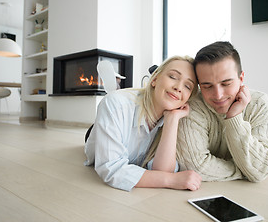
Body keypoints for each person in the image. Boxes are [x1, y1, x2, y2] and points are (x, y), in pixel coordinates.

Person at [84, 55, 202, 191]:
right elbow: (111, 169)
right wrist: (171, 180)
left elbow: (162, 170)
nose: (179, 87)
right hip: (99, 132)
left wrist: (172, 120)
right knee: (112, 106)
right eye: (173, 77)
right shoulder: (115, 103)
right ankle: (115, 97)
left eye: (188, 86)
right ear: (155, 79)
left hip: (123, 122)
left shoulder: (177, 116)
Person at [175, 41, 268, 182]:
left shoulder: (260, 103)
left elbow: (262, 168)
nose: (218, 95)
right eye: (207, 86)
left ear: (241, 78)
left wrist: (234, 117)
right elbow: (194, 166)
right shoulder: (192, 105)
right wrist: (244, 171)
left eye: (226, 84)